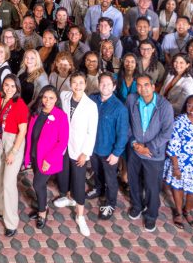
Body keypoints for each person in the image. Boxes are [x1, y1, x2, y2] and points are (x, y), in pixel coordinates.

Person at [125, 75, 175, 232]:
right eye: (139, 85)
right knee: (134, 181)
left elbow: (167, 132)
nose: (143, 88)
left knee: (152, 186)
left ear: (153, 87)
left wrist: (149, 148)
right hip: (135, 149)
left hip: (154, 154)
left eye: (146, 85)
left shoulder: (164, 106)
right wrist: (133, 142)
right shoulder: (132, 100)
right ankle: (137, 206)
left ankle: (151, 215)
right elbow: (126, 123)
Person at [54, 73, 98, 237]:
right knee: (63, 175)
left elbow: (91, 132)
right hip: (64, 146)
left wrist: (85, 152)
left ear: (85, 84)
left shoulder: (90, 105)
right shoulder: (65, 96)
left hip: (79, 149)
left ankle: (80, 216)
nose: (77, 86)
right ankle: (67, 197)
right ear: (70, 84)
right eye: (74, 83)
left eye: (81, 83)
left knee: (79, 182)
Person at [163, 95, 193, 229]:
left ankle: (187, 210)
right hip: (182, 164)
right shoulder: (179, 121)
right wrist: (176, 167)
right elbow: (172, 147)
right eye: (190, 105)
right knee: (178, 188)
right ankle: (179, 212)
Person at [23, 86, 68, 229]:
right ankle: (43, 206)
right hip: (35, 155)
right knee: (39, 184)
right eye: (45, 97)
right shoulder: (37, 113)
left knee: (37, 184)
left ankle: (42, 212)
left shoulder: (61, 116)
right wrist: (27, 157)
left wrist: (49, 160)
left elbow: (63, 142)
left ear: (56, 100)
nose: (47, 101)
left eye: (51, 98)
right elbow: (30, 136)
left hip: (48, 160)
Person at [0, 75, 28, 236]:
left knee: (8, 182)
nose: (9, 89)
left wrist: (13, 152)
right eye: (6, 85)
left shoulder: (20, 105)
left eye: (13, 86)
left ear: (17, 88)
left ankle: (11, 222)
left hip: (13, 142)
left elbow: (23, 131)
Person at [89, 73, 129, 220]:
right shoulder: (92, 99)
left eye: (108, 84)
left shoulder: (119, 108)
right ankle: (98, 189)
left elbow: (123, 134)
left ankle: (111, 203)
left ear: (114, 86)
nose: (104, 86)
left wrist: (116, 153)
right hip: (93, 148)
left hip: (108, 151)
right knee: (97, 172)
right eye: (102, 83)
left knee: (111, 179)